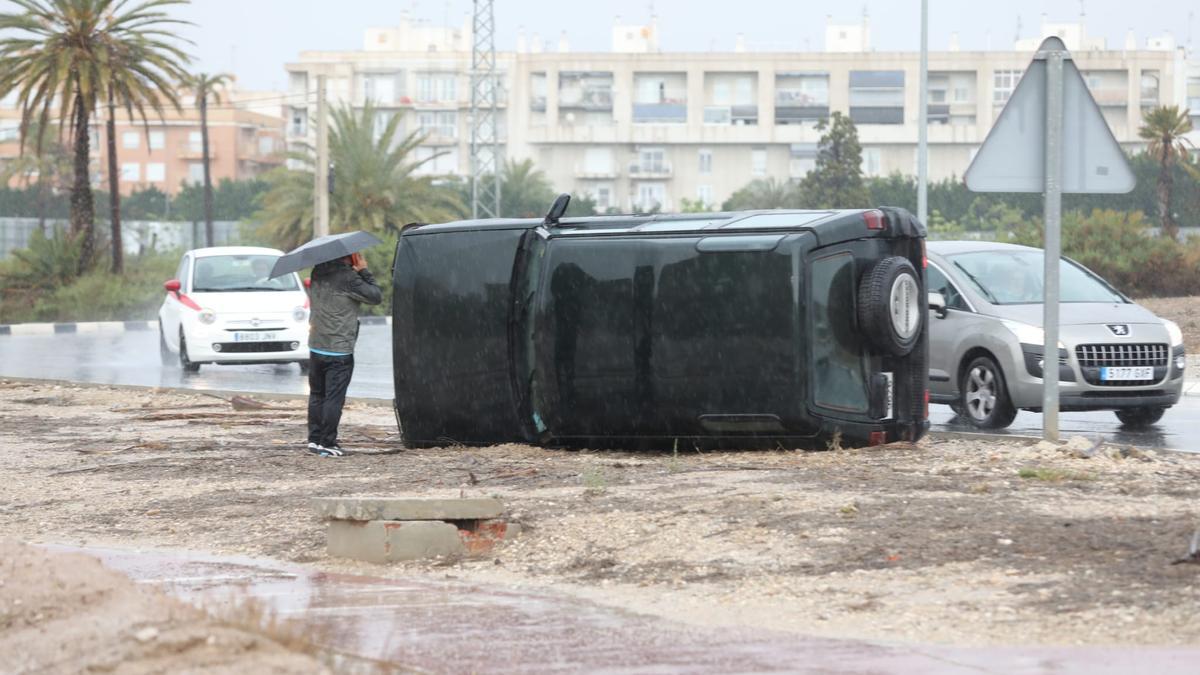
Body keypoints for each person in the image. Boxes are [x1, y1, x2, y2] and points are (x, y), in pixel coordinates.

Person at [306, 251, 382, 457]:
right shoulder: (348, 278)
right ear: (350, 257)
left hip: (316, 345)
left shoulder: (317, 272)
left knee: (317, 395)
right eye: (357, 255)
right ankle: (328, 443)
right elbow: (375, 296)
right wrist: (364, 271)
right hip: (339, 349)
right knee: (334, 398)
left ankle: (314, 440)